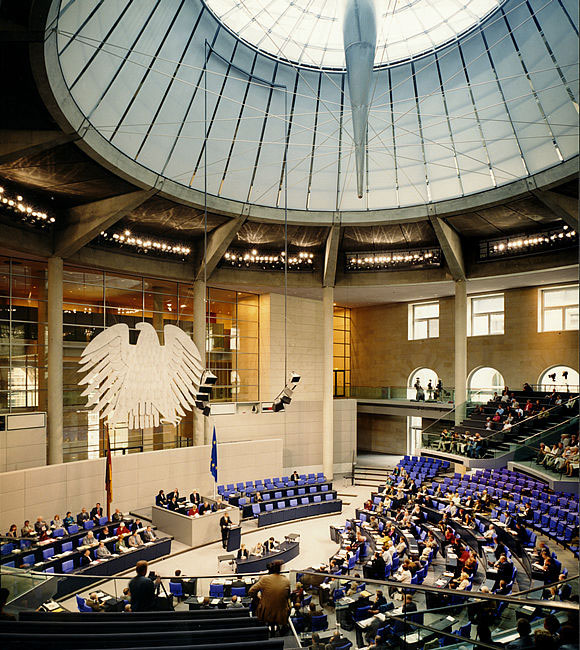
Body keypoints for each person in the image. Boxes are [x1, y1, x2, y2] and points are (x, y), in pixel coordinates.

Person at [248, 560, 290, 634]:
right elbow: (287, 596)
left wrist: (258, 599)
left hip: (266, 613)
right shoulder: (286, 580)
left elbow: (251, 591)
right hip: (281, 613)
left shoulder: (265, 579)